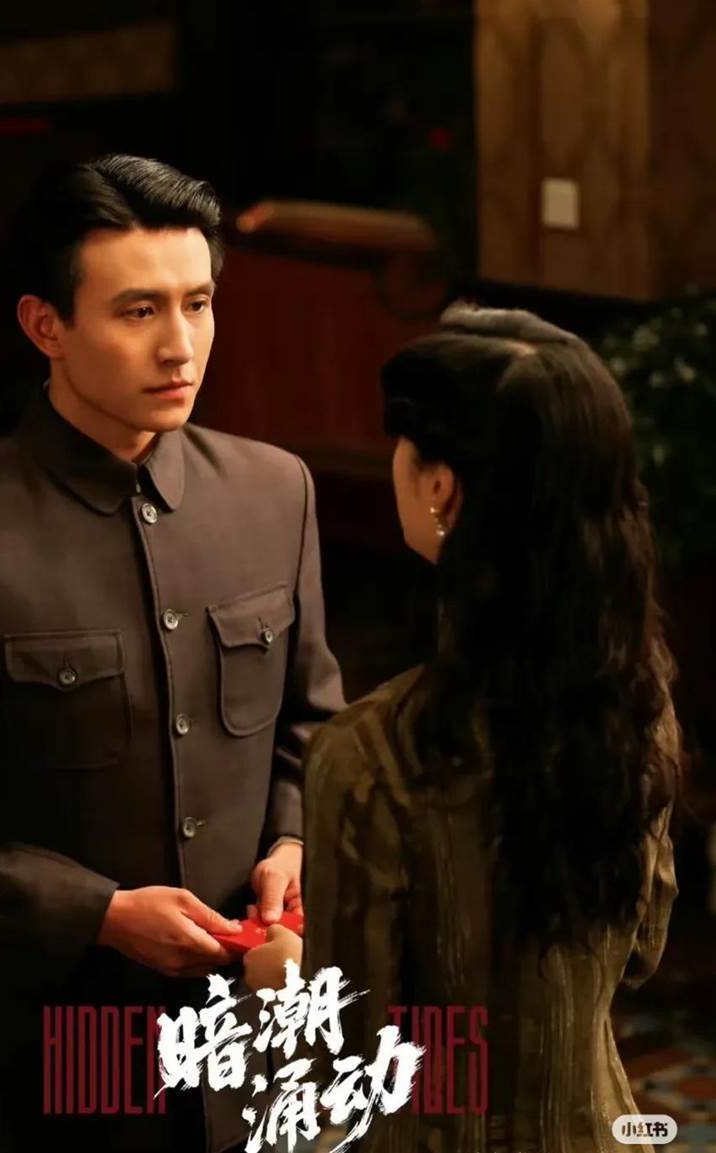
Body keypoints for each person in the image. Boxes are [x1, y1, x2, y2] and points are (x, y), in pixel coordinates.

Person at [0, 154, 345, 1153]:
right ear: (45, 326)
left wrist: (292, 841)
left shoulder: (277, 493)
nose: (180, 345)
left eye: (198, 303)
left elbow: (314, 722)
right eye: (139, 311)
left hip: (259, 1033)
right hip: (55, 1049)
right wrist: (98, 913)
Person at [244, 304, 681, 1153]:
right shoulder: (638, 704)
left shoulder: (372, 754)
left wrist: (281, 974)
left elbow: (348, 1058)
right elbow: (638, 954)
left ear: (441, 486)